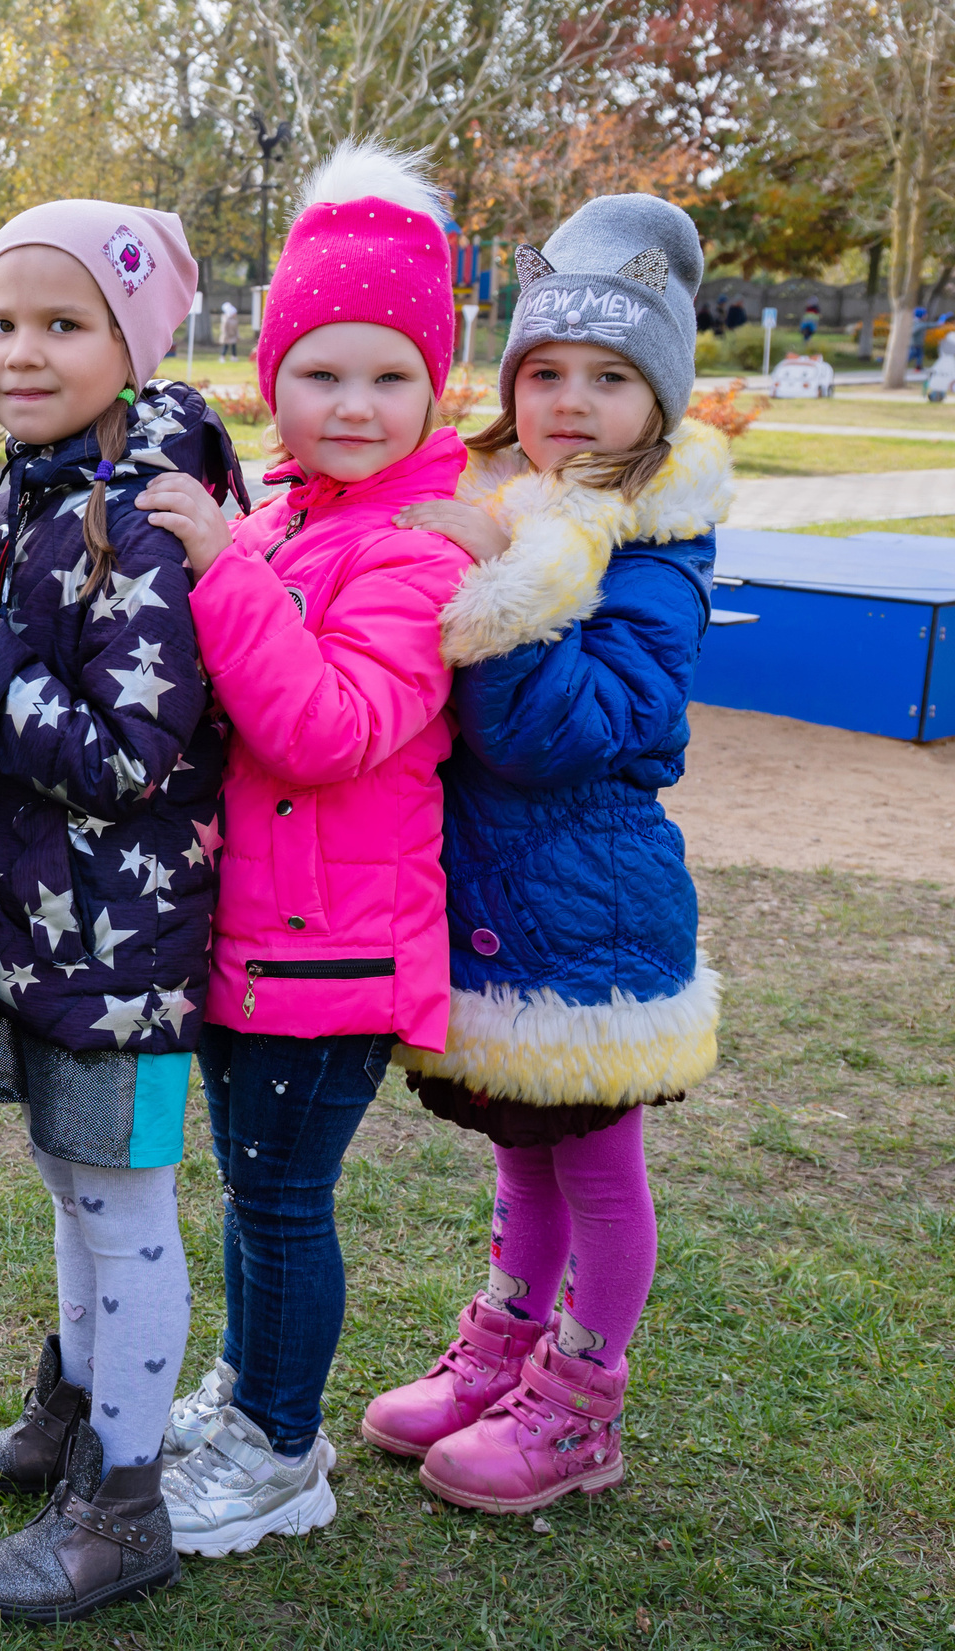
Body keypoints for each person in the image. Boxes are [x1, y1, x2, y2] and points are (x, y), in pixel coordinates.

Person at [0, 199, 244, 1623]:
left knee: (127, 1210)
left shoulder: (137, 520)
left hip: (127, 952)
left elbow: (123, 755)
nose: (22, 350)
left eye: (63, 323)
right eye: (2, 321)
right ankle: (72, 1420)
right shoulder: (31, 485)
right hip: (49, 939)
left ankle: (123, 1500)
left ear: (132, 345)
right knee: (75, 1198)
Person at [125, 145, 475, 1558]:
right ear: (274, 376)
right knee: (255, 1191)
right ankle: (250, 1391)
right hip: (254, 929)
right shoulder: (287, 518)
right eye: (323, 372)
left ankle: (282, 1445)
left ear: (434, 388)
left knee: (282, 1196)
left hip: (331, 946)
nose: (353, 405)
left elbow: (327, 728)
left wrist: (221, 566)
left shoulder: (417, 552)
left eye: (389, 376)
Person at [370, 194, 728, 1515]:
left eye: (612, 375)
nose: (572, 399)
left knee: (598, 1161)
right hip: (506, 904)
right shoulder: (520, 511)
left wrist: (506, 597)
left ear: (662, 398)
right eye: (547, 371)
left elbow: (559, 734)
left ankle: (581, 1403)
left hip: (597, 915)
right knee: (524, 1146)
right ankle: (503, 1354)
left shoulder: (650, 555)